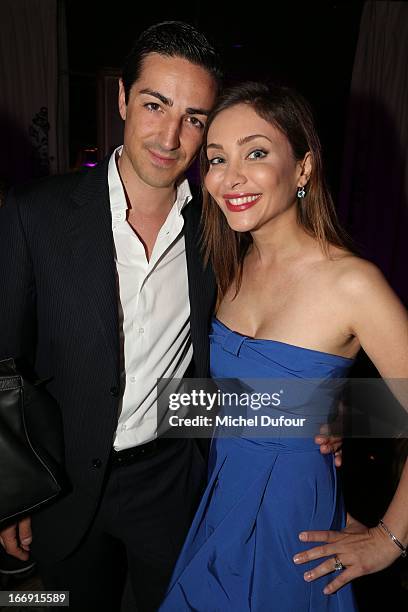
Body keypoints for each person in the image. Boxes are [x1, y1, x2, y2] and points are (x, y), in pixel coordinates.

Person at [0, 25, 342, 612]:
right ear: (122, 99)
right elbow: (4, 362)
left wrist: (335, 410)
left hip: (173, 481)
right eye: (155, 105)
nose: (170, 135)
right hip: (61, 485)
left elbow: (273, 346)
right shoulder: (37, 214)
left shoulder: (227, 231)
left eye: (195, 117)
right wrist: (8, 493)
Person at [159, 82, 408, 611]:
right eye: (217, 158)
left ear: (303, 169)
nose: (232, 177)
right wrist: (339, 411)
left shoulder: (353, 284)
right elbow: (230, 400)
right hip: (217, 504)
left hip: (294, 529)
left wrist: (390, 539)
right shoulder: (225, 267)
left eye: (256, 152)